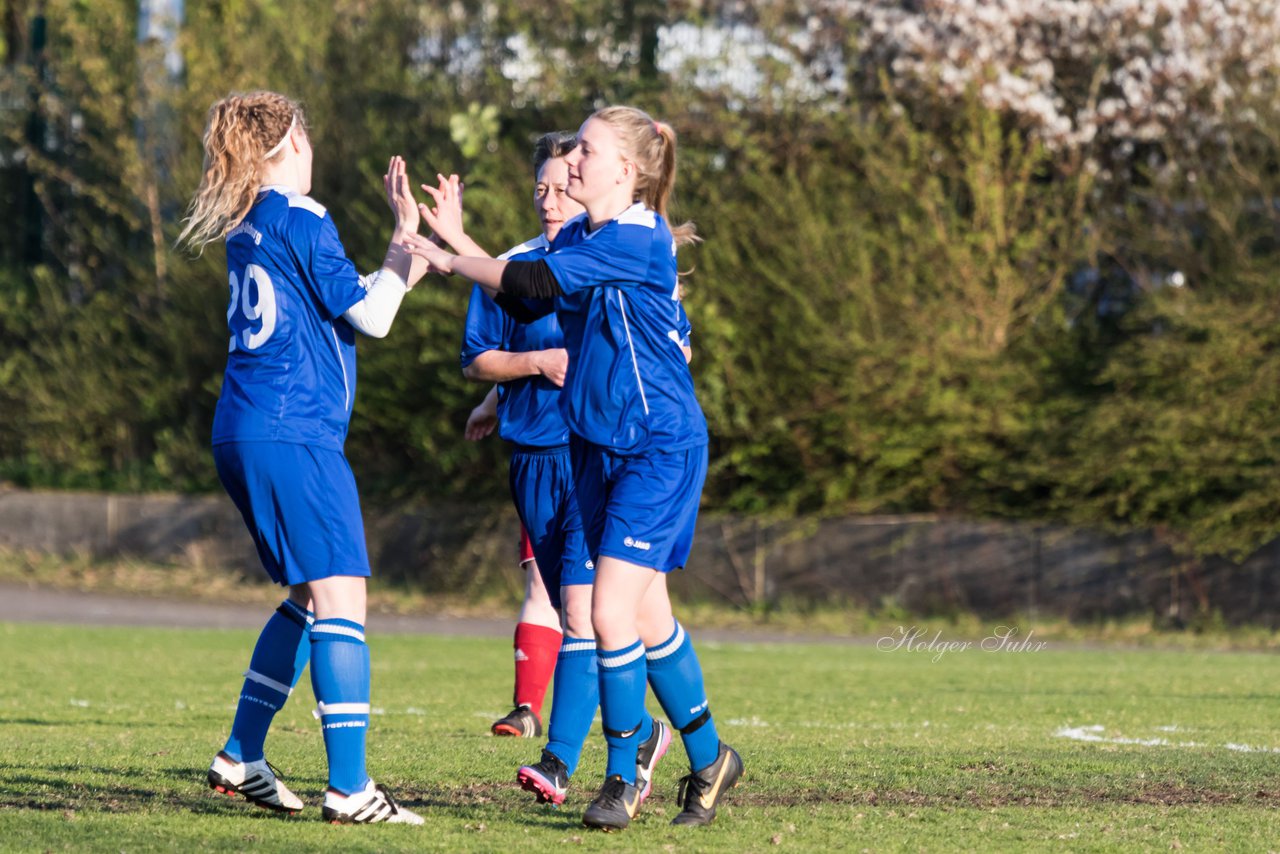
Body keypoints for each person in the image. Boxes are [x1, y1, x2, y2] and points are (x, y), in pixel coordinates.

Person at [406, 107, 741, 831]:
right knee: (648, 618)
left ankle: (621, 777)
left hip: (656, 449)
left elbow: (529, 285)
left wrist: (447, 256)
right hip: (598, 448)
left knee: (606, 611)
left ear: (625, 169)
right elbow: (530, 278)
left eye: (586, 151)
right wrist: (456, 244)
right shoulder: (593, 235)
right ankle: (712, 758)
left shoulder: (634, 236)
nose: (572, 163)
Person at [177, 90, 426, 825]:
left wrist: (403, 250)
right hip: (293, 431)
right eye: (309, 140)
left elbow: (353, 302)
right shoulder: (303, 216)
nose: (315, 153)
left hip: (246, 426)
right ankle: (350, 789)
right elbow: (373, 317)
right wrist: (404, 248)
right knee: (343, 596)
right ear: (286, 148)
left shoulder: (247, 222)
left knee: (309, 596)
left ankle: (240, 754)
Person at [438, 131, 663, 807]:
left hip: (594, 455)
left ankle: (567, 757)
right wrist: (512, 377)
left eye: (564, 182)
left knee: (584, 608)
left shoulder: (615, 252)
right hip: (531, 459)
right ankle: (666, 738)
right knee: (593, 612)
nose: (550, 197)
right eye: (540, 186)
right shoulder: (516, 264)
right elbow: (484, 347)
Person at [464, 387, 563, 739]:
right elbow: (523, 358)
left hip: (597, 457)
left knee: (612, 602)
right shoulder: (529, 329)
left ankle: (636, 722)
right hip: (540, 460)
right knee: (542, 586)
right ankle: (527, 710)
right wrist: (488, 404)